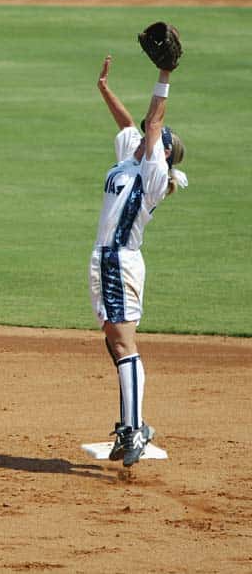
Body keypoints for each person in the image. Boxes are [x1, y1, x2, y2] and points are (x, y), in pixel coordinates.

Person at [90, 55, 187, 466]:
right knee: (114, 341)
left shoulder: (152, 171)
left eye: (161, 136)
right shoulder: (134, 155)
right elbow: (130, 124)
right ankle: (134, 425)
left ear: (163, 151)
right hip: (105, 260)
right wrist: (105, 90)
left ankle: (133, 430)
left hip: (119, 261)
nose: (154, 134)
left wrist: (164, 75)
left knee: (124, 344)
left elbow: (150, 122)